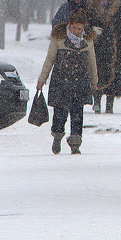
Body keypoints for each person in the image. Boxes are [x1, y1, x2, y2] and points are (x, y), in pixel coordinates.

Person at [36, 9, 99, 154]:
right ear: (69, 25)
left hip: (80, 82)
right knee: (60, 113)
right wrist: (42, 79)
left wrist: (94, 80)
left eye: (80, 28)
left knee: (78, 114)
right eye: (75, 28)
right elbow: (50, 59)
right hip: (61, 81)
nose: (77, 31)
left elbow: (91, 61)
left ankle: (75, 144)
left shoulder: (87, 40)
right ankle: (57, 137)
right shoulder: (58, 38)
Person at [87, 0, 121, 114]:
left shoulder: (116, 7)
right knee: (97, 74)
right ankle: (96, 101)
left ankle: (109, 104)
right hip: (97, 47)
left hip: (114, 47)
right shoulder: (91, 7)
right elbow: (87, 24)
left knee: (114, 74)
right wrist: (92, 31)